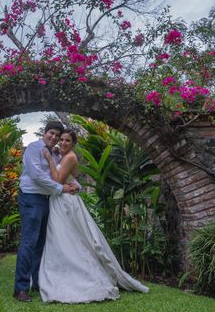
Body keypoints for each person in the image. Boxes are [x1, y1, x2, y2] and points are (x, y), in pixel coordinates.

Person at [38, 129, 149, 303]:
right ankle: (61, 271)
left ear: (74, 143)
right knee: (60, 238)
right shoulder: (62, 154)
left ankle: (83, 276)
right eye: (61, 140)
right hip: (59, 200)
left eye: (68, 140)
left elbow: (58, 180)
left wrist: (50, 160)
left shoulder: (71, 157)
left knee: (71, 238)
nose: (63, 143)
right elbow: (72, 181)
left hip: (66, 202)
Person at [13, 121, 78, 302]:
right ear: (44, 132)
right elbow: (38, 176)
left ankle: (37, 282)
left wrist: (75, 186)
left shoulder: (55, 154)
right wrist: (61, 189)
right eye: (51, 133)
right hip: (31, 198)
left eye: (57, 135)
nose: (54, 137)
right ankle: (20, 289)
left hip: (46, 200)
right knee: (29, 243)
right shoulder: (34, 149)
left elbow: (61, 174)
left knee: (41, 244)